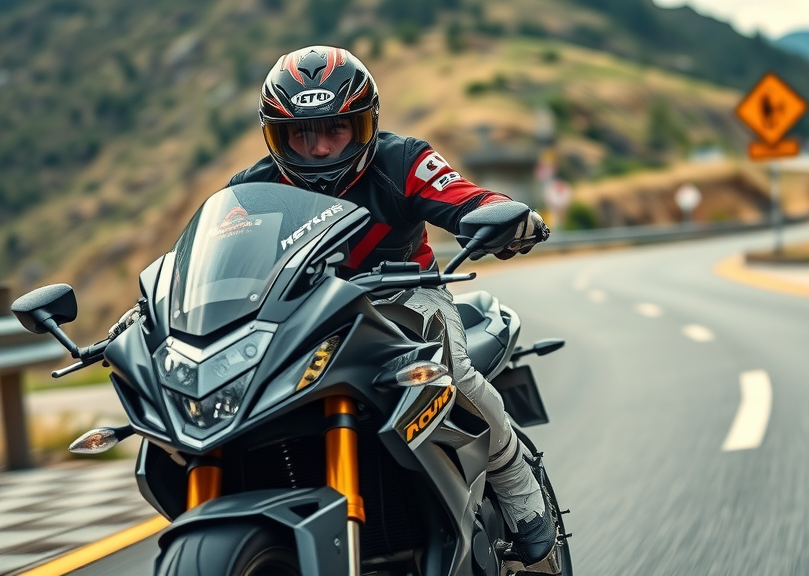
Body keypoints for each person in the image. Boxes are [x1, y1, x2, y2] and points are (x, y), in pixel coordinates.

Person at [110, 45, 555, 564]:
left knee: (451, 372)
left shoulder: (402, 159)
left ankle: (519, 490)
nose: (318, 148)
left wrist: (505, 215)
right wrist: (154, 311)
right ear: (276, 135)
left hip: (403, 297)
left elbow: (467, 197)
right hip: (302, 317)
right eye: (301, 133)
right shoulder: (250, 191)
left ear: (365, 125)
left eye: (335, 129)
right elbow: (206, 268)